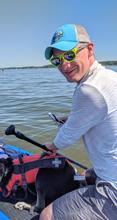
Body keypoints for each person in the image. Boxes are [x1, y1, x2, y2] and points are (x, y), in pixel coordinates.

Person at [40, 24, 117, 220]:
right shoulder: (109, 78)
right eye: (56, 59)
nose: (64, 64)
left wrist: (52, 146)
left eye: (69, 54)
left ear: (89, 49)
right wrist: (72, 119)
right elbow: (99, 113)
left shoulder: (89, 89)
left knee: (46, 216)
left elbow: (67, 137)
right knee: (84, 175)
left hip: (114, 189)